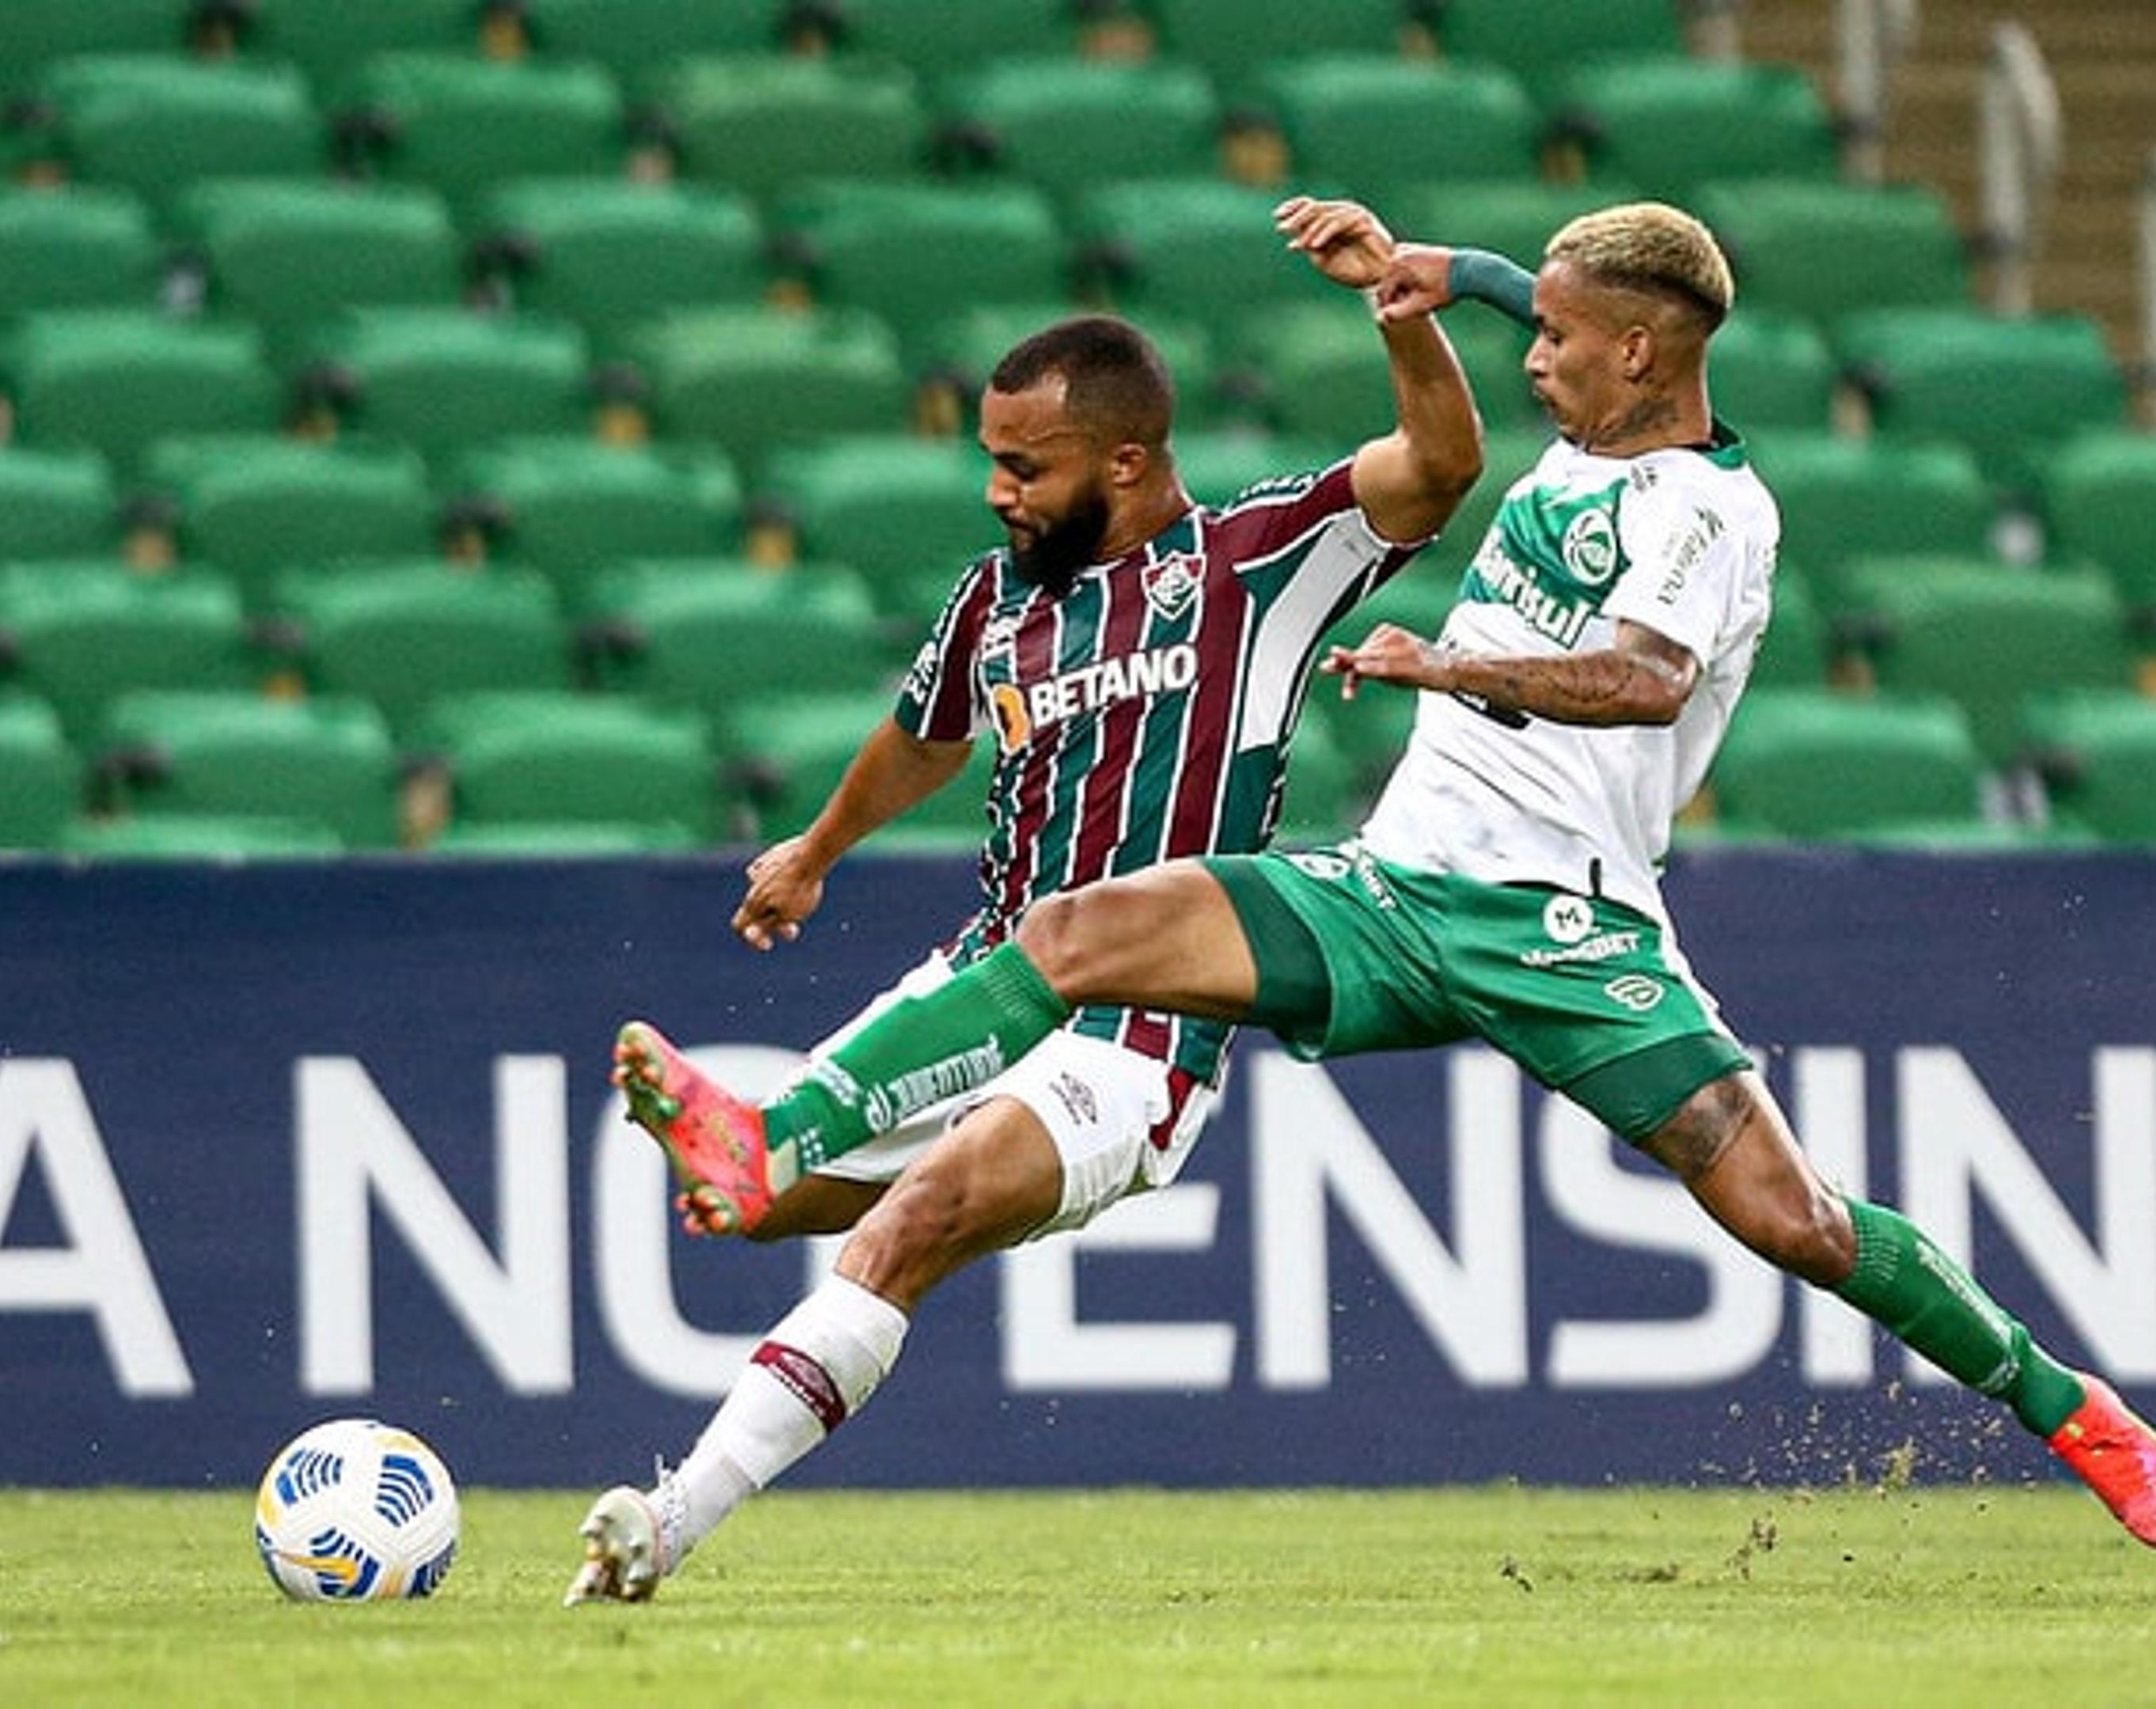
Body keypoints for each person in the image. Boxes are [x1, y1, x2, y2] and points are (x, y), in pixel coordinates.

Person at [612, 199, 2156, 1554]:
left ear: (1640, 354)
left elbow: (1645, 682)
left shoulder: (1711, 511)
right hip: (1394, 889)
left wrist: (1445, 667)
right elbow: (1546, 305)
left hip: (1568, 925)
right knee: (1077, 929)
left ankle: (2067, 1407)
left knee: (1791, 1218)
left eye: (1561, 341)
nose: (1536, 357)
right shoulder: (1598, 416)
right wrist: (1435, 273)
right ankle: (777, 1138)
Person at [560, 196, 1487, 1605]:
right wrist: (816, 849)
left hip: (1139, 1034)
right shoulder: (1001, 602)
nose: (999, 490)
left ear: (1125, 458)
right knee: (753, 1209)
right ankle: (752, 1154)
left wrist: (1404, 313)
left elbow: (1438, 465)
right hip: (985, 978)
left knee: (914, 1217)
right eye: (989, 461)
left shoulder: (1253, 568)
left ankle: (669, 1520)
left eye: (1024, 466)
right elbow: (930, 734)